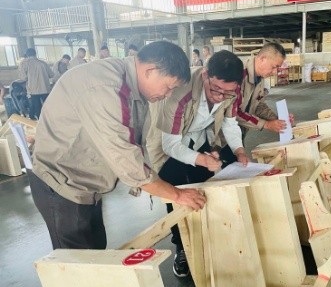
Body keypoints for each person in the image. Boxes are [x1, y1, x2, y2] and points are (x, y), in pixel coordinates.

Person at [29, 40, 206, 250]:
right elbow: (126, 159)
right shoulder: (106, 88)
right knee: (78, 261)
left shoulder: (134, 89)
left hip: (85, 184)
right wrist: (176, 194)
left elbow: (134, 143)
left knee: (95, 252)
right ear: (150, 71)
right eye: (168, 87)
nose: (167, 95)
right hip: (60, 184)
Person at [146, 49, 249, 278]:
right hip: (168, 144)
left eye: (227, 92)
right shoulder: (179, 93)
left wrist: (239, 150)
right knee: (175, 193)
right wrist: (202, 159)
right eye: (216, 90)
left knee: (205, 188)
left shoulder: (232, 89)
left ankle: (208, 239)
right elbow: (170, 145)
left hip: (198, 137)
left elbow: (230, 123)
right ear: (204, 75)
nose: (221, 97)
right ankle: (181, 247)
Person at [235, 42, 291, 137]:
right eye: (274, 67)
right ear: (262, 59)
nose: (275, 72)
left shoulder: (260, 78)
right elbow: (234, 112)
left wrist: (277, 120)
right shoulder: (239, 75)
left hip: (239, 131)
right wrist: (266, 124)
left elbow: (258, 105)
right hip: (221, 135)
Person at [18, 48, 54, 120]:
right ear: (35, 54)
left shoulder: (24, 63)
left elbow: (23, 78)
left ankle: (39, 121)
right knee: (48, 105)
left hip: (33, 90)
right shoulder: (43, 63)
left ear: (27, 55)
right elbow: (51, 75)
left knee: (37, 106)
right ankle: (51, 119)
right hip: (45, 88)